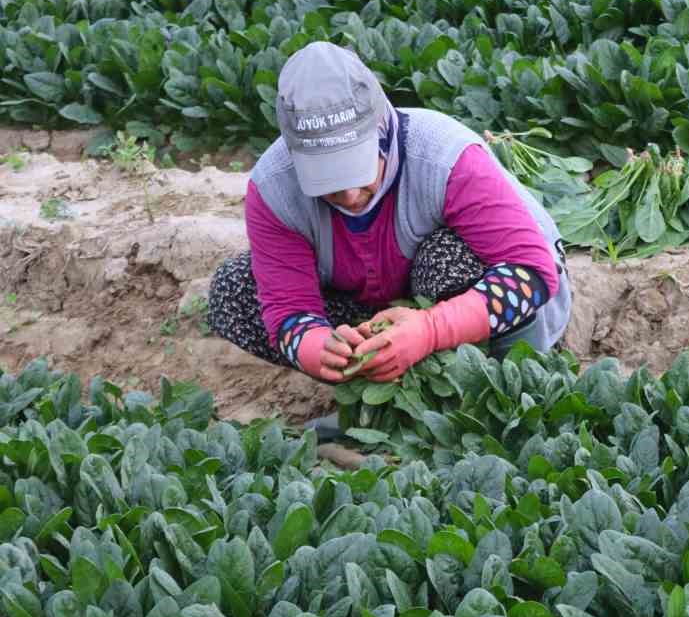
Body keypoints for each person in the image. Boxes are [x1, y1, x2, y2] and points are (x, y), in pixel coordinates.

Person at [208, 41, 572, 438]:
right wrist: (322, 348)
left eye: (357, 170)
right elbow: (288, 309)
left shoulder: (445, 157)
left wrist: (431, 329)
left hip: (501, 310)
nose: (349, 196)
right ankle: (387, 403)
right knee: (235, 289)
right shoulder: (274, 189)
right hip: (375, 306)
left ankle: (487, 397)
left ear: (380, 128)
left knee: (446, 258)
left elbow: (532, 274)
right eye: (328, 180)